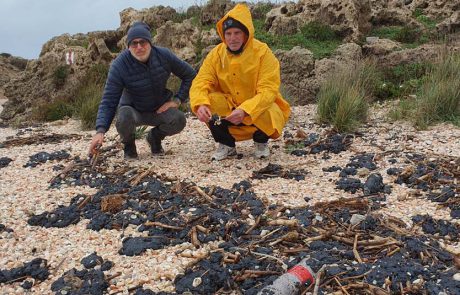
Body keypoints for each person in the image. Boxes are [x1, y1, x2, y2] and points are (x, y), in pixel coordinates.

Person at [190, 4, 290, 161]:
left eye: (237, 33)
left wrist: (245, 110)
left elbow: (268, 90)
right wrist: (200, 104)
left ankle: (261, 142)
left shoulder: (263, 52)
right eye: (228, 33)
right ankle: (226, 145)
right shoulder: (216, 54)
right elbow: (201, 81)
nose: (232, 38)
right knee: (208, 102)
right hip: (230, 106)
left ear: (246, 34)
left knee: (269, 108)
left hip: (255, 106)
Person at [88, 22, 196, 159]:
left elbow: (190, 75)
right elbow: (109, 100)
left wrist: (177, 100)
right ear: (128, 46)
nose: (139, 47)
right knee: (123, 117)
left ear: (150, 43)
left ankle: (154, 138)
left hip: (159, 109)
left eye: (143, 42)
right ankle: (129, 146)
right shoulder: (119, 65)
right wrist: (100, 131)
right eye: (134, 43)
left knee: (179, 119)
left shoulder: (164, 55)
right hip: (133, 111)